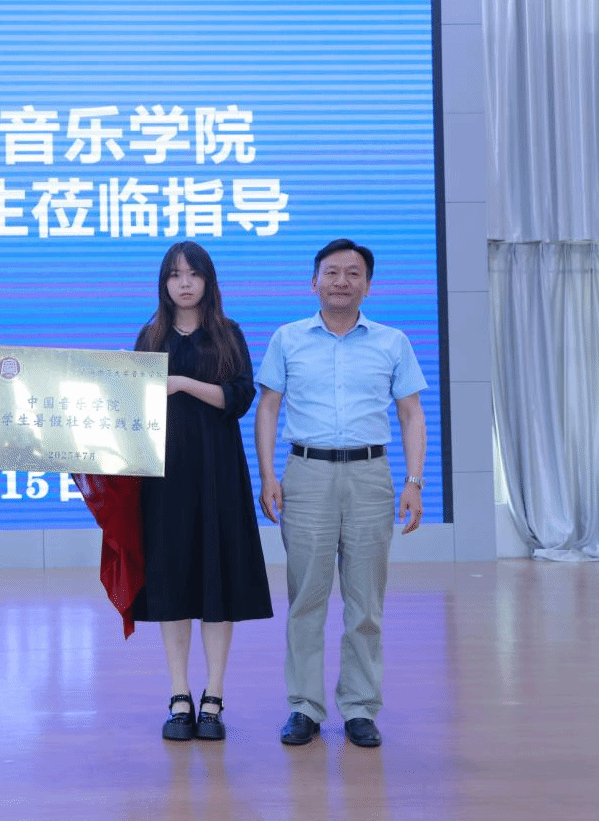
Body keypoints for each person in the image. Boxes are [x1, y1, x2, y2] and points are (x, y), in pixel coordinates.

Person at [254, 237, 427, 749]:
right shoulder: (287, 339)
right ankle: (304, 706)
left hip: (371, 476)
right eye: (331, 272)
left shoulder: (392, 342)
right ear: (314, 282)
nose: (341, 281)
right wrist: (268, 476)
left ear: (368, 286)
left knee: (365, 602)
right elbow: (268, 408)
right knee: (306, 598)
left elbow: (411, 413)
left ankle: (360, 707)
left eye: (353, 273)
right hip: (306, 475)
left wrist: (414, 482)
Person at [132, 241, 273, 741]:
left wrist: (182, 383)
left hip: (218, 473)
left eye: (193, 274)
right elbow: (132, 406)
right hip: (164, 477)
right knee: (171, 582)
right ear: (164, 284)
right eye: (175, 275)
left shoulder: (228, 334)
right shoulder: (150, 336)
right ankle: (179, 694)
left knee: (217, 580)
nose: (184, 283)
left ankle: (213, 695)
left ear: (208, 281)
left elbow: (239, 397)